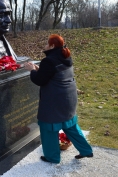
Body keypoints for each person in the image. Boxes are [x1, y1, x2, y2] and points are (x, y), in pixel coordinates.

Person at [24, 34, 93, 164]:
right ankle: (86, 150)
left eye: (47, 43)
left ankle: (52, 157)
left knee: (48, 128)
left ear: (52, 46)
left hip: (55, 101)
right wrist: (39, 69)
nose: (45, 46)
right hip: (69, 98)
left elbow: (40, 80)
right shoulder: (65, 56)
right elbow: (55, 74)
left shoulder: (49, 60)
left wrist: (32, 70)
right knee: (71, 126)